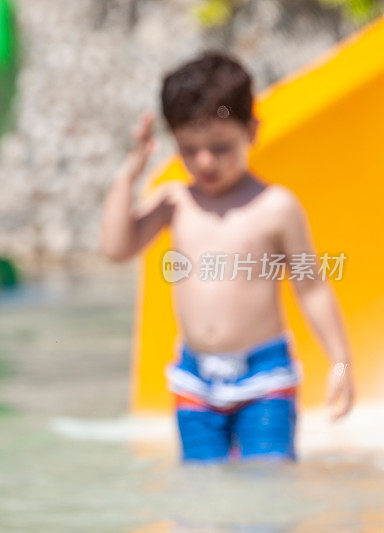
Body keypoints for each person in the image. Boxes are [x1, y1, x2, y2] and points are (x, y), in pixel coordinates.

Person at [100, 52, 354, 462]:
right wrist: (127, 175)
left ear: (251, 131)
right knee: (202, 496)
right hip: (195, 381)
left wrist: (340, 361)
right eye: (190, 149)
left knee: (267, 488)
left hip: (265, 378)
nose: (205, 162)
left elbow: (312, 287)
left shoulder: (275, 206)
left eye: (220, 147)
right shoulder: (175, 201)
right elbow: (116, 248)